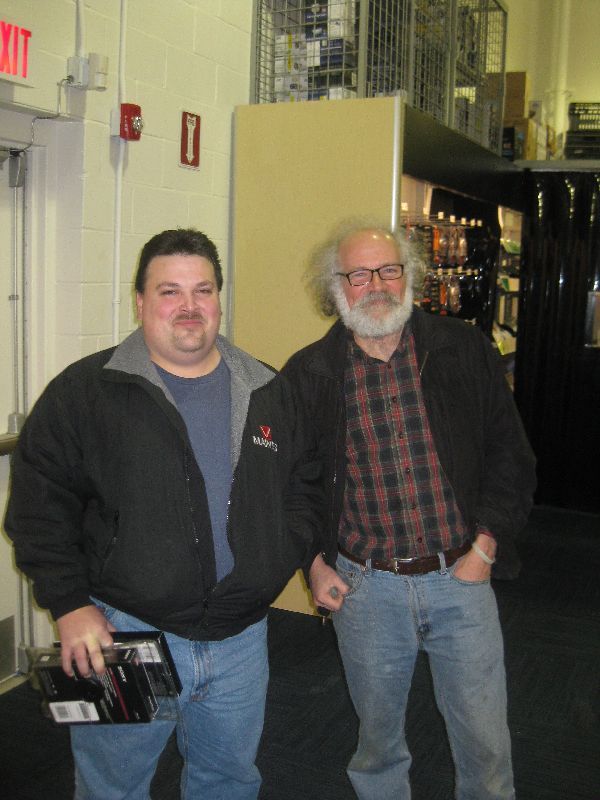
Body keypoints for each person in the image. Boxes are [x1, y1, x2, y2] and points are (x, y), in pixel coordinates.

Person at [4, 227, 322, 800]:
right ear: (140, 301)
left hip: (241, 637)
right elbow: (39, 505)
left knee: (228, 781)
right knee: (112, 786)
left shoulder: (268, 388)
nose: (189, 306)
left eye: (203, 290)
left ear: (219, 298)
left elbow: (303, 485)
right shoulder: (86, 391)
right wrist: (69, 603)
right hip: (121, 631)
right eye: (170, 291)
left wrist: (281, 554)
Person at [282, 219, 537, 800]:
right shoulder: (310, 374)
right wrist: (315, 565)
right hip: (367, 588)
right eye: (359, 274)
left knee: (485, 742)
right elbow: (296, 486)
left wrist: (485, 547)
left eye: (389, 270)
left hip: (461, 576)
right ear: (336, 287)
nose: (376, 285)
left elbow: (510, 455)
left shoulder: (461, 349)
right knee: (378, 746)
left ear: (410, 277)